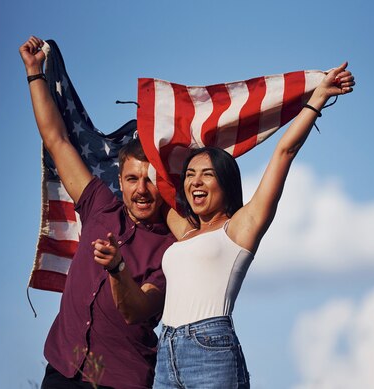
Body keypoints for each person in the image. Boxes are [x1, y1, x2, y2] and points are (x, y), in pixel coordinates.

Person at [105, 62, 354, 387]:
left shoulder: (241, 227)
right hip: (165, 353)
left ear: (226, 183)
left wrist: (317, 98)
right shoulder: (186, 232)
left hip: (210, 349)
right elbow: (150, 180)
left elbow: (284, 152)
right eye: (190, 175)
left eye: (207, 174)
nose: (196, 182)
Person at [20, 36, 175, 389]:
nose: (141, 189)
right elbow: (57, 139)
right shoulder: (100, 204)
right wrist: (34, 74)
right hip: (62, 367)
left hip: (120, 380)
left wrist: (117, 268)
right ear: (120, 180)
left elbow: (138, 309)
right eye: (132, 179)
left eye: (150, 180)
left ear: (164, 183)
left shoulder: (172, 248)